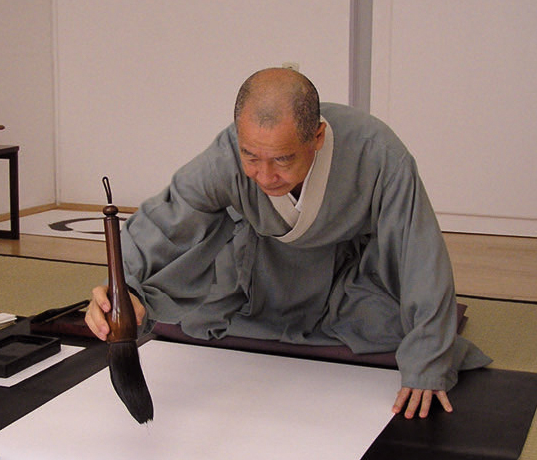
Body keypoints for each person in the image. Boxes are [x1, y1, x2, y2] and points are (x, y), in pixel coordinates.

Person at [86, 68, 490, 419]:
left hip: (346, 279)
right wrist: (125, 289)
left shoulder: (378, 153)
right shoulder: (226, 155)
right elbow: (167, 219)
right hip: (257, 273)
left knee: (403, 333)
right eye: (251, 157)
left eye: (282, 160)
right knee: (189, 307)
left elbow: (417, 251)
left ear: (317, 136)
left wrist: (426, 363)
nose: (265, 176)